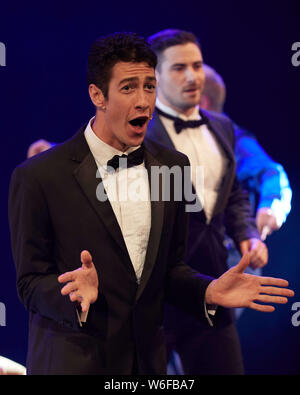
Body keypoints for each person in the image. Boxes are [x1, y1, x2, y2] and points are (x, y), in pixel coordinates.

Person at [12, 31, 294, 376]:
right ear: (97, 95)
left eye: (149, 86)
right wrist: (71, 295)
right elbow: (29, 283)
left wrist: (208, 289)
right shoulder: (40, 175)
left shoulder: (172, 165)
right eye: (129, 87)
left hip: (148, 361)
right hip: (76, 359)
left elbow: (171, 271)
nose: (144, 100)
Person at [145, 29, 272, 375]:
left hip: (216, 289)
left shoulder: (222, 126)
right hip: (154, 298)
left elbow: (232, 196)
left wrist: (248, 236)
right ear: (153, 75)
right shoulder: (134, 130)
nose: (192, 76)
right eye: (179, 68)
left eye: (198, 65)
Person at [199, 64, 292, 243]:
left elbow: (271, 172)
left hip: (232, 254)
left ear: (202, 102)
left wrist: (272, 206)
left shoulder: (234, 139)